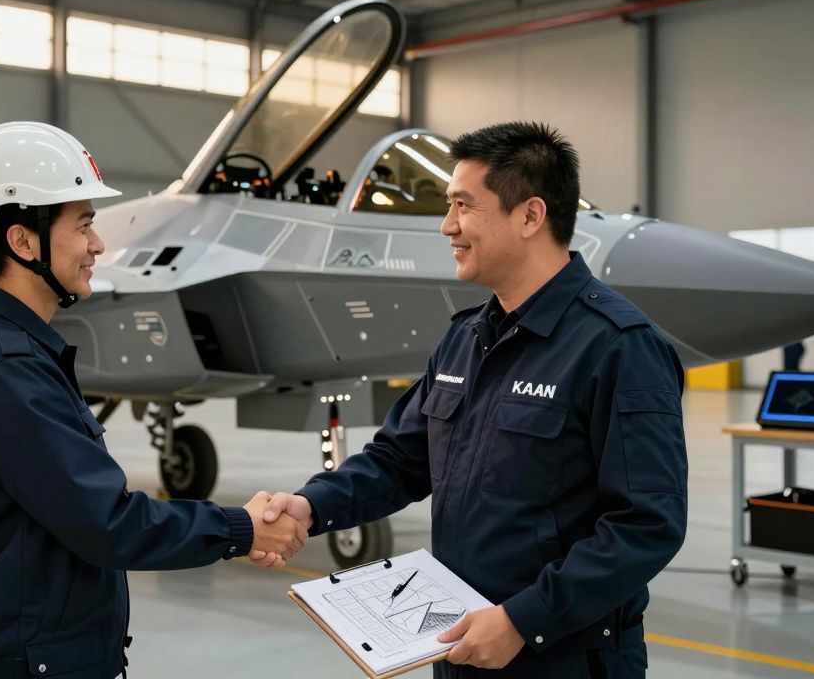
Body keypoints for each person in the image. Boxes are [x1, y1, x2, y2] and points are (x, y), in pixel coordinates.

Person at [255, 123, 687, 678]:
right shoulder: (466, 338)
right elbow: (400, 459)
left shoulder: (618, 347)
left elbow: (646, 524)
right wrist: (313, 505)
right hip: (462, 646)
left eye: (464, 206)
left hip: (564, 656)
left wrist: (523, 620)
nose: (447, 226)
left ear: (531, 216)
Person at [0, 122, 305, 679]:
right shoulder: (8, 369)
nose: (99, 245)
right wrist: (240, 529)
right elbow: (109, 524)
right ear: (23, 241)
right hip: (29, 662)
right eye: (83, 226)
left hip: (20, 648)